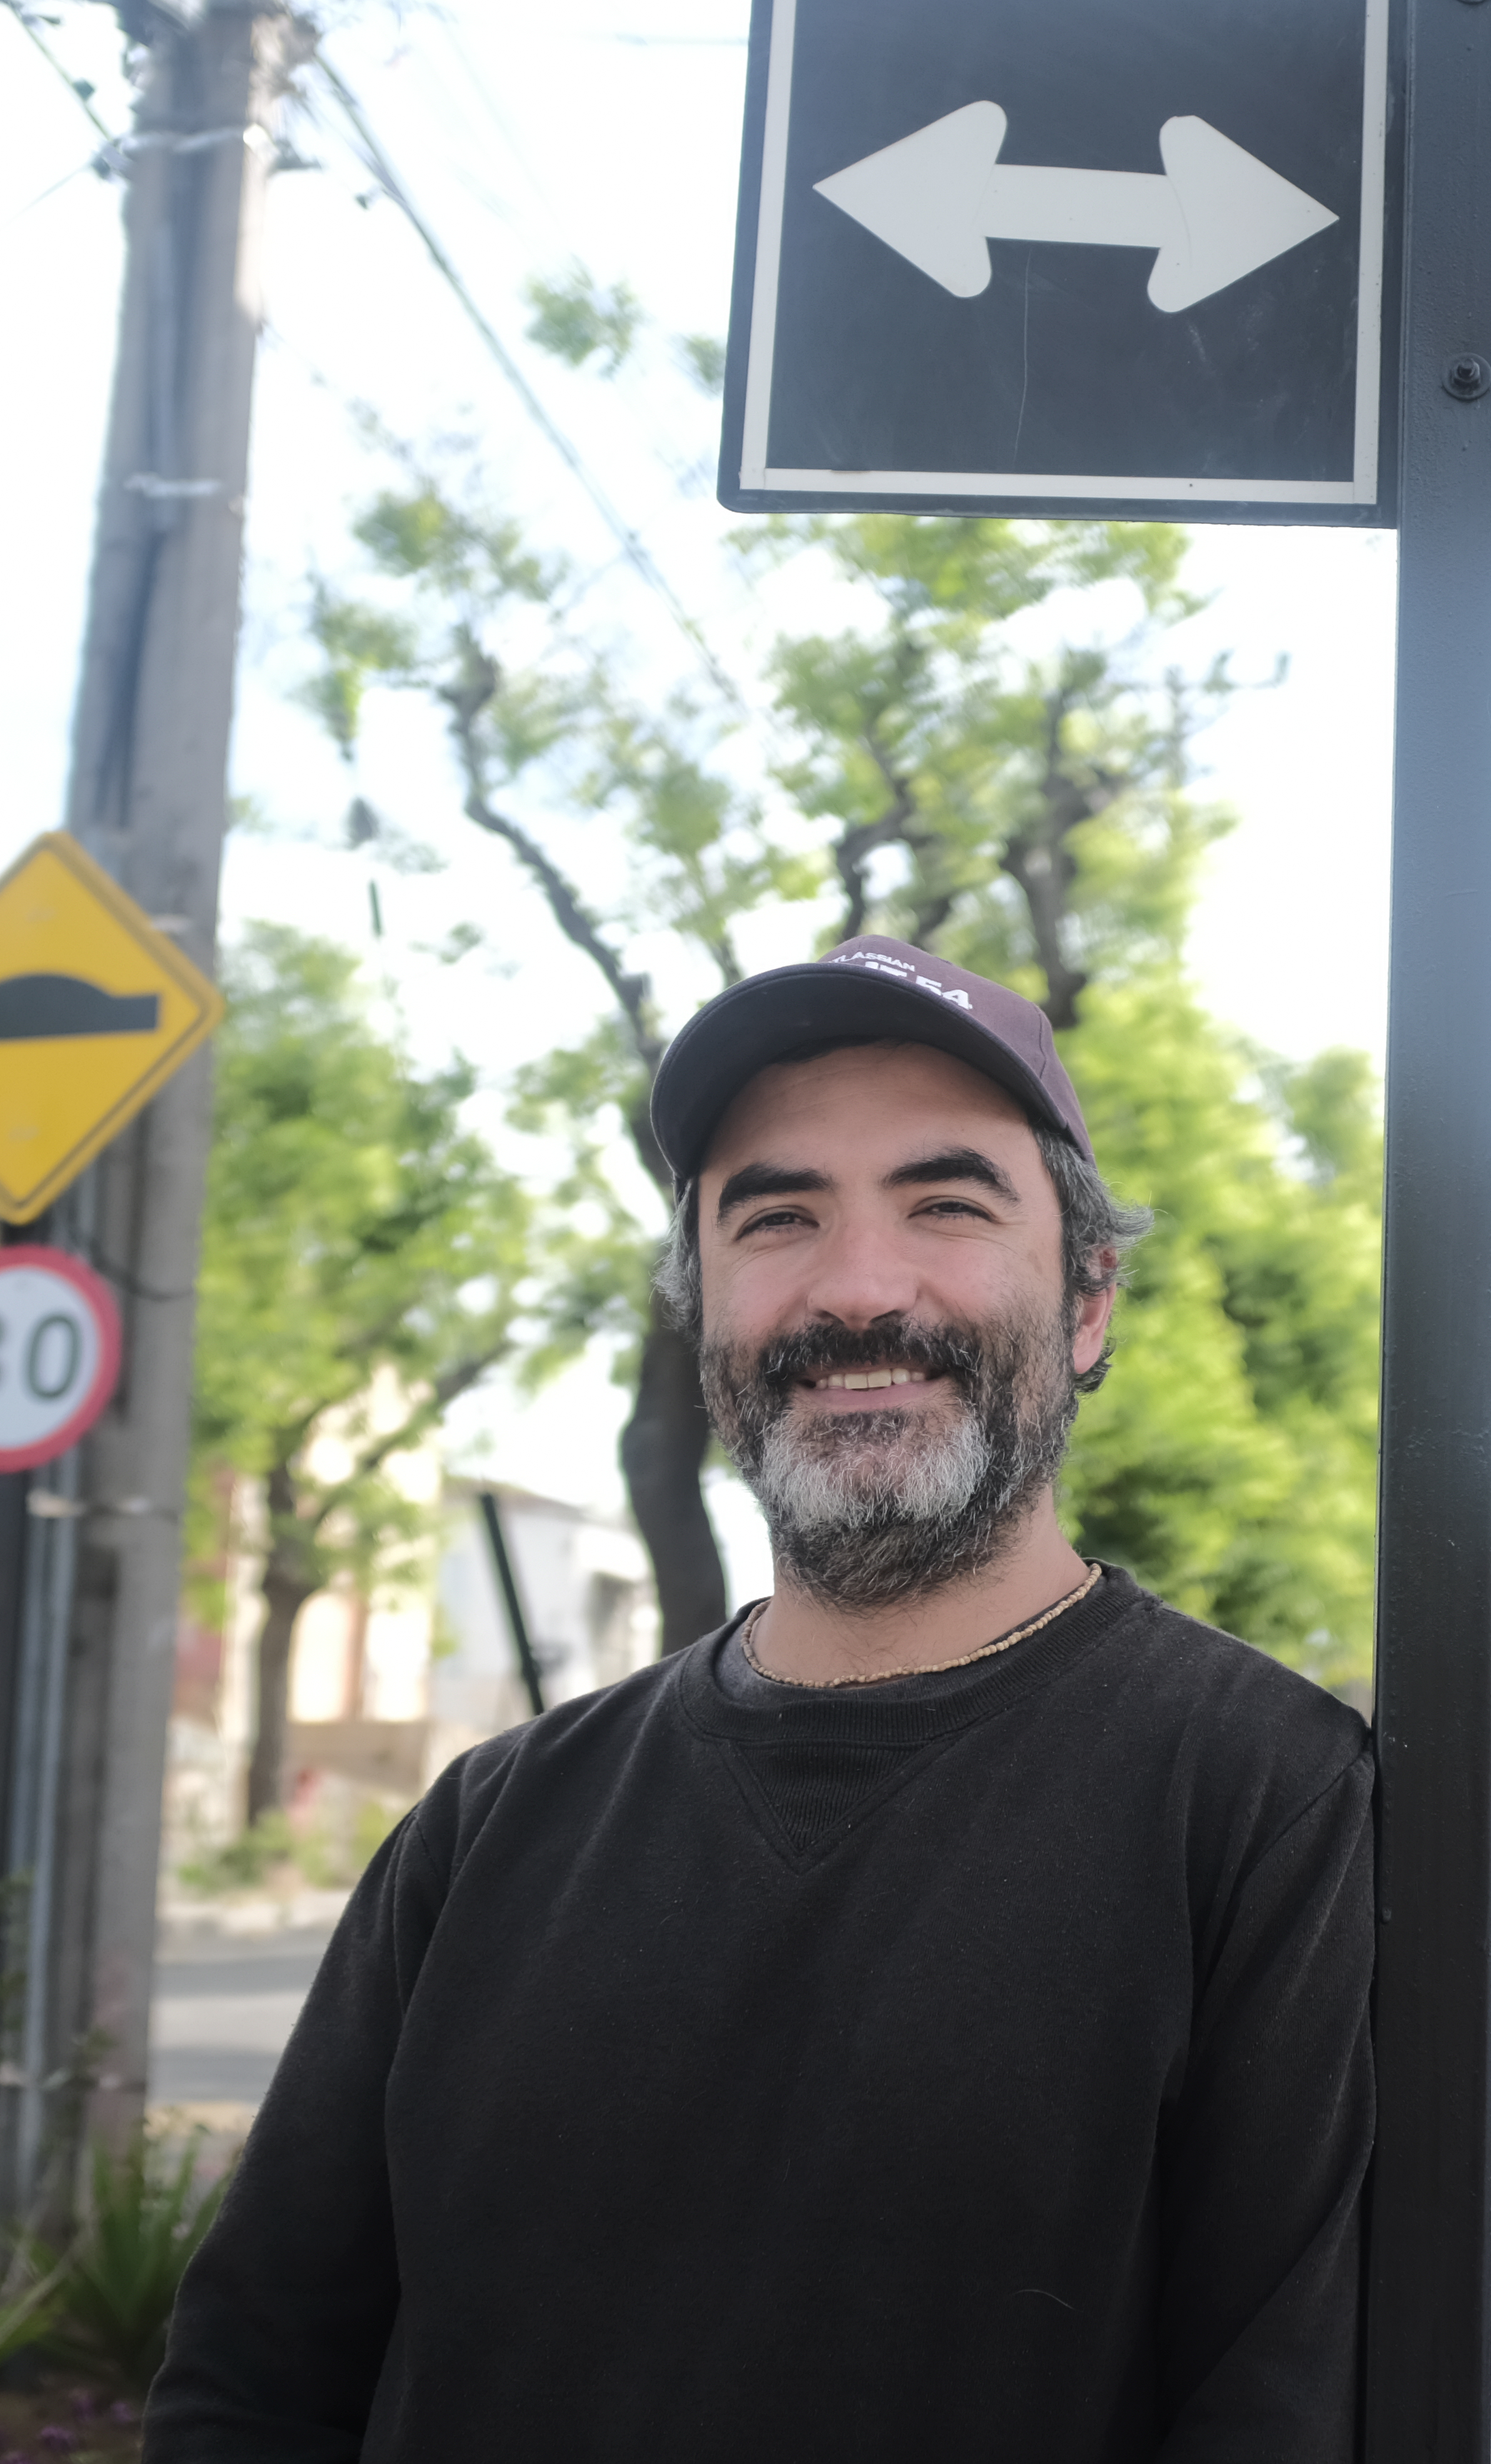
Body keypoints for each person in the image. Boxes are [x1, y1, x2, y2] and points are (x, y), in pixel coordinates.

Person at [150, 936, 1375, 2462]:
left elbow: (1285, 2412)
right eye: (778, 1217)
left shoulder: (1274, 1802)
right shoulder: (487, 1829)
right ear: (704, 1310)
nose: (858, 1286)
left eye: (946, 1202)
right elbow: (252, 2390)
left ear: (1089, 1303)